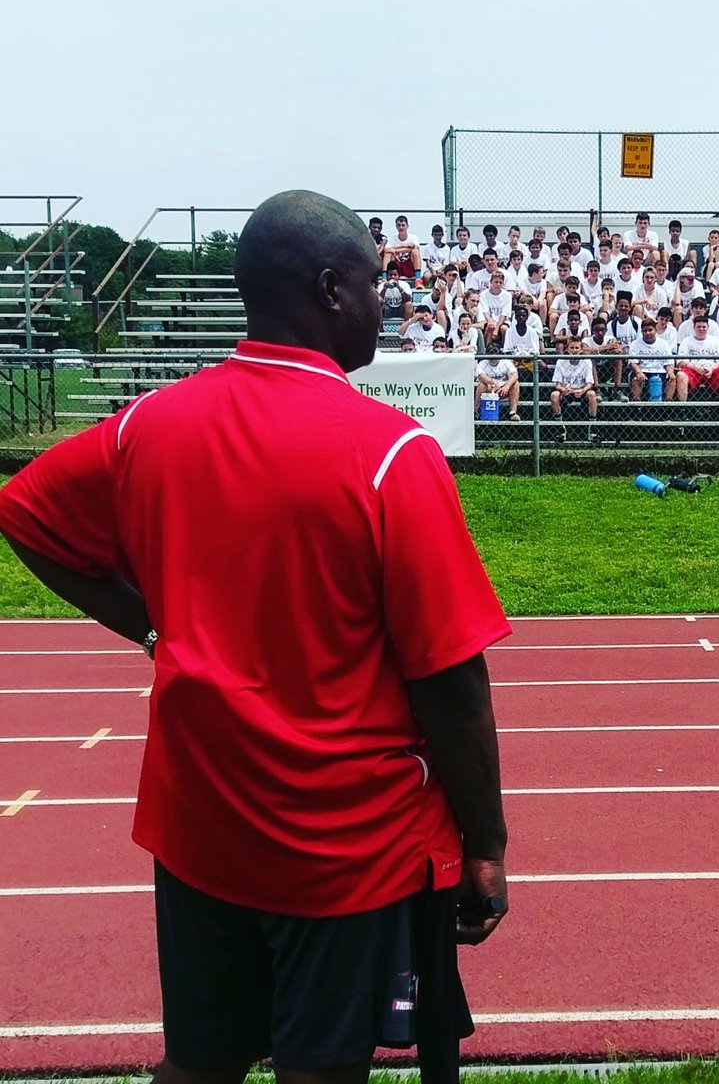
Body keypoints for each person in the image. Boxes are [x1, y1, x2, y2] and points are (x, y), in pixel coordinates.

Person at [0, 191, 512, 1083]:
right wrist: (488, 846)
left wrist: (150, 625)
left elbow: (24, 511)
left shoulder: (148, 425)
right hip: (339, 841)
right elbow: (452, 682)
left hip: (199, 818)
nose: (383, 302)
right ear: (329, 291)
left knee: (201, 1061)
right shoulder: (392, 453)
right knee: (320, 1067)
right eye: (373, 282)